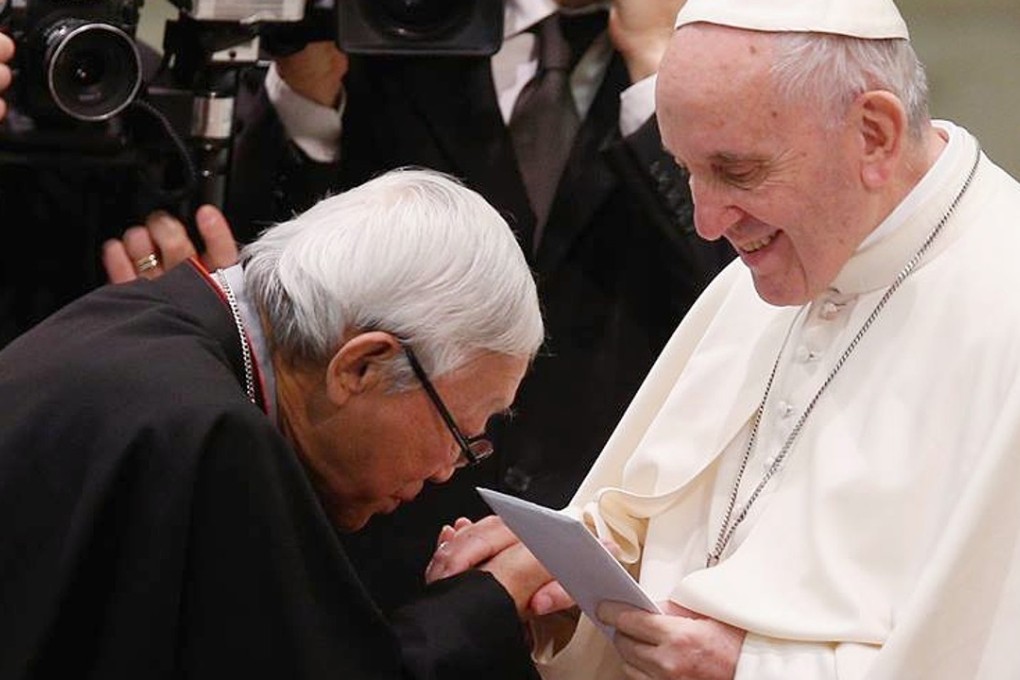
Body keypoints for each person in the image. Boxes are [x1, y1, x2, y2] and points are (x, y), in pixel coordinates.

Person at [425, 0, 1020, 678]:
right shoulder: (776, 268)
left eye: (738, 173)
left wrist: (752, 670)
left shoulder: (1004, 302)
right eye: (685, 171)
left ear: (875, 134)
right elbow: (674, 530)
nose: (708, 224)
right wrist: (572, 577)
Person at [114, 0, 736, 613]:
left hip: (578, 539)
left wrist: (660, 66)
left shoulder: (723, 56)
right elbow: (279, 280)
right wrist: (309, 102)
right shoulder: (389, 21)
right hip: (347, 533)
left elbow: (743, 286)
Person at [0, 168, 554, 679]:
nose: (444, 472)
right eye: (459, 435)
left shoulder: (148, 322)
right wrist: (487, 606)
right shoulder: (209, 433)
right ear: (360, 366)